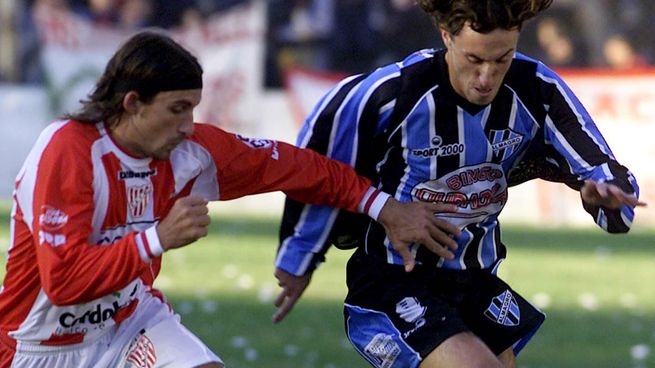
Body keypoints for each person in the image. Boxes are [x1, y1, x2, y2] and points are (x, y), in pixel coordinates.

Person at [0, 30, 455, 368]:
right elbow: (63, 282)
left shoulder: (191, 150)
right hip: (37, 347)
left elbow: (297, 167)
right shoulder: (68, 150)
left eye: (193, 109)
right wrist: (156, 238)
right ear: (133, 103)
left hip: (128, 324)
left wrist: (383, 206)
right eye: (177, 109)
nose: (187, 125)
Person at [273, 0, 646, 367]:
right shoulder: (395, 92)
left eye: (502, 60)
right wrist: (300, 254)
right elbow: (320, 152)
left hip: (475, 281)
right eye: (474, 60)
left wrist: (608, 195)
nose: (486, 78)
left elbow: (600, 166)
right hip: (393, 280)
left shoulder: (537, 89)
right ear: (446, 37)